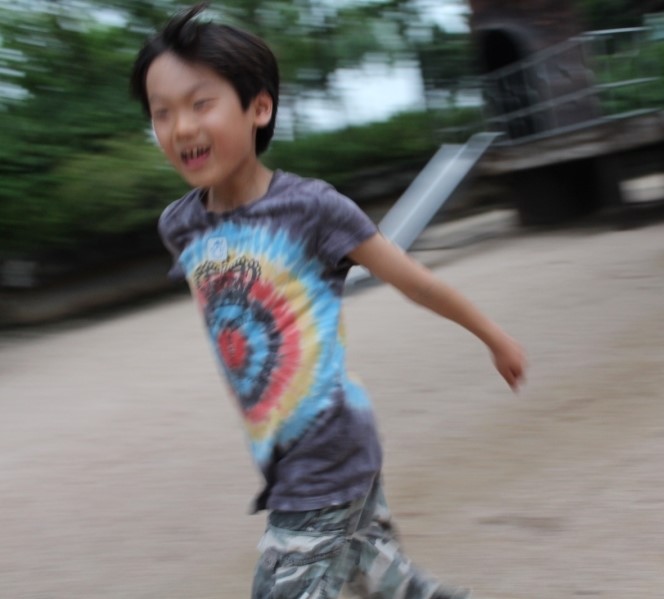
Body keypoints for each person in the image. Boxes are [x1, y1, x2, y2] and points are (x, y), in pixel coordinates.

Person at [129, 4, 526, 598]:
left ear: (259, 108)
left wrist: (493, 336)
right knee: (381, 578)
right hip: (280, 450)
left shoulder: (312, 209)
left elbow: (412, 280)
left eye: (200, 103)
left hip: (328, 446)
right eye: (162, 113)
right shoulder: (180, 226)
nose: (181, 127)